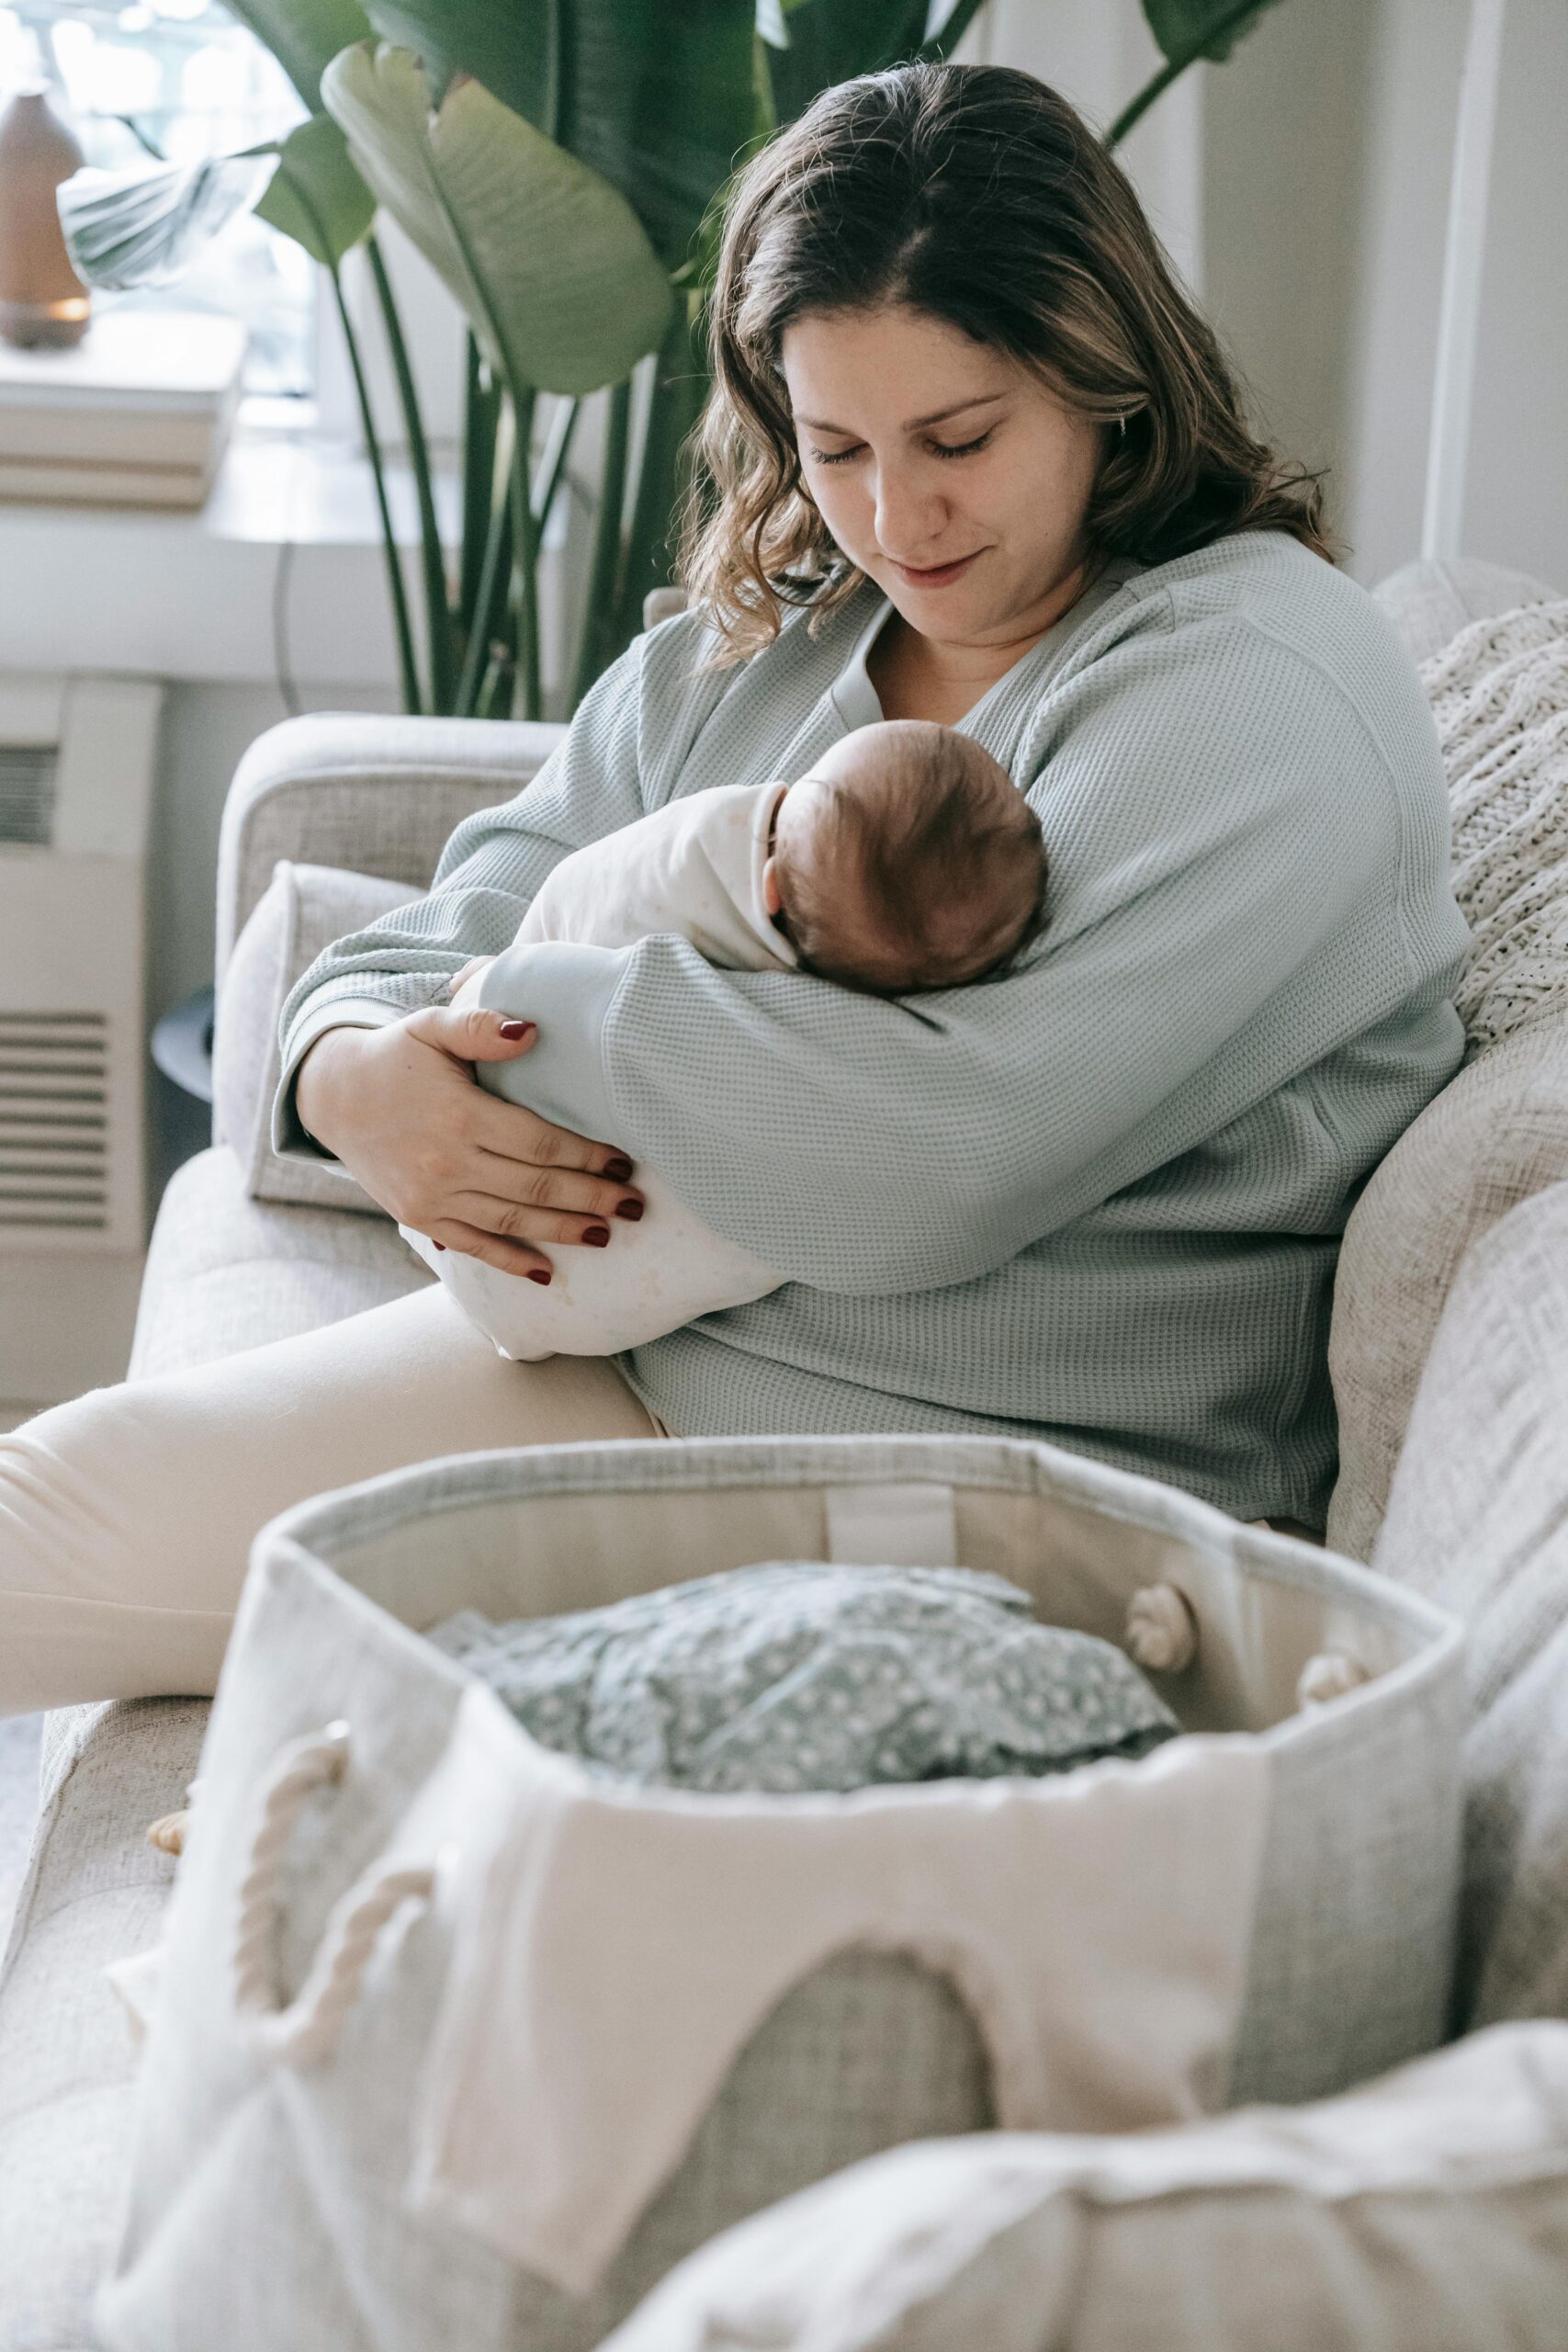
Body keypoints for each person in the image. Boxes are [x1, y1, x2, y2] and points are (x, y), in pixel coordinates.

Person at [0, 61, 1468, 1712]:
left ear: (1101, 377)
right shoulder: (768, 641)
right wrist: (350, 1074)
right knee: (35, 1523)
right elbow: (473, 898)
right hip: (643, 1356)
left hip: (989, 1480)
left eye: (958, 438)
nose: (893, 515)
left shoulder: (1254, 681)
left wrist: (515, 1018)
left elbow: (935, 1157)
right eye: (833, 443)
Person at [407, 718, 1045, 1361]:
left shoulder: (696, 866)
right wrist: (339, 1058)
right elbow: (462, 903)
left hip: (521, 1255)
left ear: (768, 884)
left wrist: (501, 981)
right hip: (577, 1303)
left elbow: (580, 898)